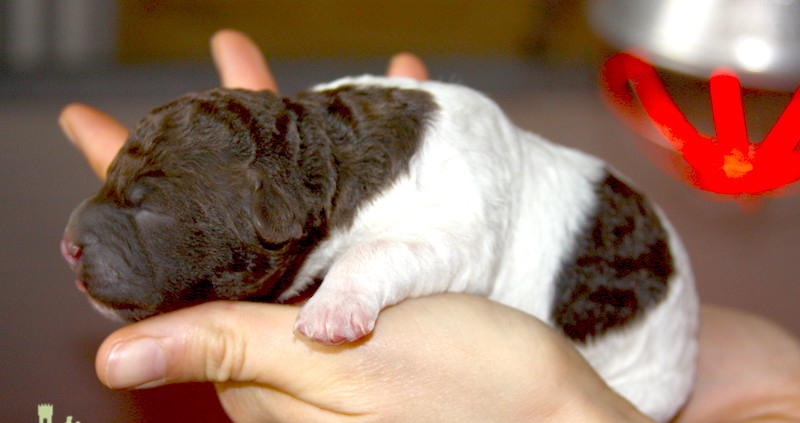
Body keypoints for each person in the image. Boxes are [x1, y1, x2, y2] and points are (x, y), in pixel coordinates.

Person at [59, 29, 800, 423]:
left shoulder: (440, 168)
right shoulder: (320, 139)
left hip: (636, 380)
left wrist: (564, 411)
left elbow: (456, 249)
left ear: (279, 216)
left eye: (145, 203)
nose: (74, 237)